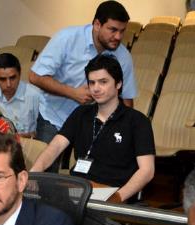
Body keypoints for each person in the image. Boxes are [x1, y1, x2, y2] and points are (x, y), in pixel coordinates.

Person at [30, 55, 154, 202]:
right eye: (92, 82)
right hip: (77, 189)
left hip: (113, 193)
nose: (96, 88)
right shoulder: (81, 113)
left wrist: (118, 197)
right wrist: (33, 173)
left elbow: (147, 170)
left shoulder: (137, 121)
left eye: (103, 82)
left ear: (118, 84)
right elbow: (55, 147)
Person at [30, 0, 137, 143]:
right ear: (97, 25)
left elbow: (127, 99)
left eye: (122, 31)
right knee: (47, 157)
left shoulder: (123, 57)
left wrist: (124, 131)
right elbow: (35, 76)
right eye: (113, 30)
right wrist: (73, 93)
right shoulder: (67, 38)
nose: (118, 37)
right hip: (53, 118)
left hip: (90, 126)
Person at [0, 52, 41, 136]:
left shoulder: (35, 95)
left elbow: (44, 131)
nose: (8, 84)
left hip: (26, 142)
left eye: (12, 78)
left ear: (20, 74)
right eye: (2, 79)